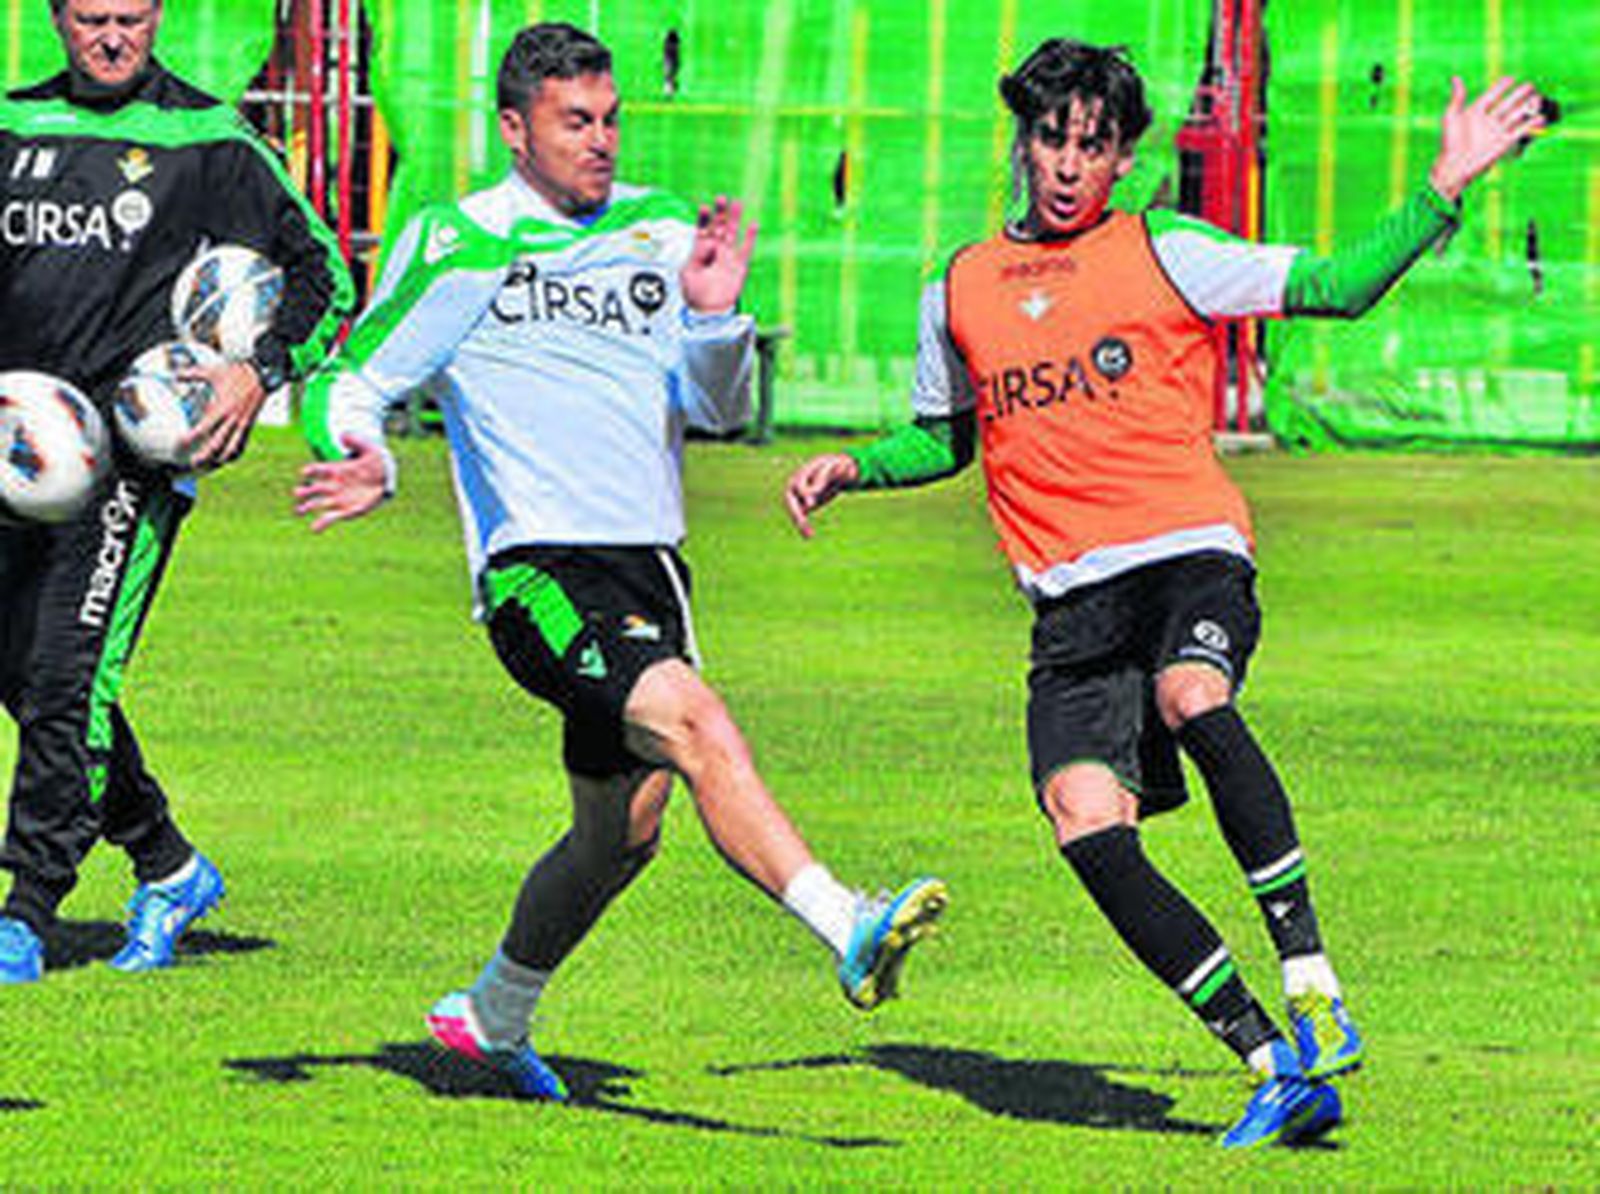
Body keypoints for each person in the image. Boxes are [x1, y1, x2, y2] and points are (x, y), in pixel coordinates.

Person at [785, 39, 1545, 1148]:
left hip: (1186, 557)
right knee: (1086, 826)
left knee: (1195, 698)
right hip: (1070, 612)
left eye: (1092, 145)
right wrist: (856, 465)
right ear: (1022, 138)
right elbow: (947, 435)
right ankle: (1269, 1059)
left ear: (1124, 156)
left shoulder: (1166, 248)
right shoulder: (957, 285)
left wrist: (1444, 184)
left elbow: (1332, 288)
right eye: (1050, 137)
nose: (1064, 165)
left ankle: (1311, 978)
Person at [294, 21, 947, 1100]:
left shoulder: (655, 228)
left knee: (617, 840)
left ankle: (491, 1013)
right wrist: (366, 460)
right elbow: (349, 378)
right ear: (514, 129)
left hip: (653, 567)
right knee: (699, 724)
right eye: (573, 122)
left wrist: (716, 317)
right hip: (538, 571)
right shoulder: (458, 241)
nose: (599, 141)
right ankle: (847, 921)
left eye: (608, 119)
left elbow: (717, 411)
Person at [0, 0, 354, 983]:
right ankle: (167, 864)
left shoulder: (208, 141)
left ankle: (24, 908)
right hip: (19, 452)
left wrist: (258, 370)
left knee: (71, 677)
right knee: (23, 677)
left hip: (130, 460)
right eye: (88, 18)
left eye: (130, 17)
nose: (111, 38)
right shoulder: (16, 125)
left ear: (156, 14)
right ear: (53, 17)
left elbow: (326, 272)